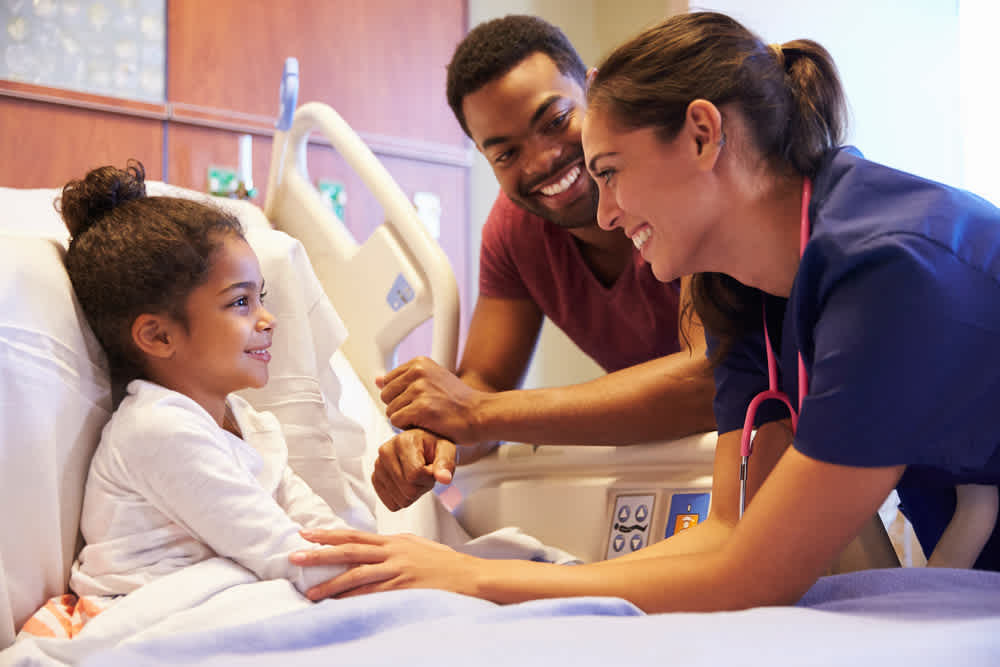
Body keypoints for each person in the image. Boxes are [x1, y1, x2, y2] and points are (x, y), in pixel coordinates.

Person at [292, 11, 1000, 612]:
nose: (601, 212)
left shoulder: (889, 270)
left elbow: (756, 574)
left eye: (609, 172)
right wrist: (517, 579)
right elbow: (729, 533)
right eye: (504, 152)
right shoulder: (742, 290)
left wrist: (476, 579)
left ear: (702, 134)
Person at [371, 14, 717, 511]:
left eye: (555, 122)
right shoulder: (515, 232)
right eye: (505, 154)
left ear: (594, 91)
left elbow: (708, 379)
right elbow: (485, 381)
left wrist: (476, 414)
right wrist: (436, 440)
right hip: (681, 463)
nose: (540, 161)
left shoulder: (679, 178)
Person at [60, 161, 351, 599]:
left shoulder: (247, 422)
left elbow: (322, 532)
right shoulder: (157, 429)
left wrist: (394, 560)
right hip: (161, 611)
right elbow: (291, 556)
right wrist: (412, 579)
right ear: (159, 336)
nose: (268, 319)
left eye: (260, 297)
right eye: (240, 302)